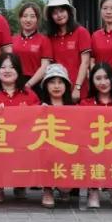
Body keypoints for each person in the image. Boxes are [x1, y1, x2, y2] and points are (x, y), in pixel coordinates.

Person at [0, 53, 36, 202]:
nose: (7, 70)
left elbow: (38, 118)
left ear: (18, 71)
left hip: (22, 140)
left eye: (12, 67)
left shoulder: (29, 94)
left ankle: (20, 184)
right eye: (3, 67)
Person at [79, 62, 112, 208]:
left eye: (107, 78)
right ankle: (93, 190)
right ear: (92, 81)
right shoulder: (85, 103)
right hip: (94, 146)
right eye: (98, 78)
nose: (103, 82)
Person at [39, 63, 76, 208]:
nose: (56, 86)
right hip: (46, 151)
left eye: (60, 82)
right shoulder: (39, 107)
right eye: (52, 82)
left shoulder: (75, 108)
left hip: (67, 151)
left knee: (66, 188)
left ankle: (63, 187)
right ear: (46, 86)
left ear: (66, 85)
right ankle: (47, 189)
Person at [43, 0, 92, 103]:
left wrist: (77, 87)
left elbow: (85, 62)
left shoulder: (81, 32)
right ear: (51, 17)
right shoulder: (50, 37)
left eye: (62, 11)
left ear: (69, 12)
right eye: (55, 13)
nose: (59, 15)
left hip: (78, 89)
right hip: (57, 91)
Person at [11, 2, 52, 95]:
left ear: (37, 19)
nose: (28, 20)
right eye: (25, 16)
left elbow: (45, 67)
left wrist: (28, 85)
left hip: (36, 84)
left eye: (32, 16)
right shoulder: (12, 40)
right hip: (14, 83)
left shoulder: (44, 40)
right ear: (20, 18)